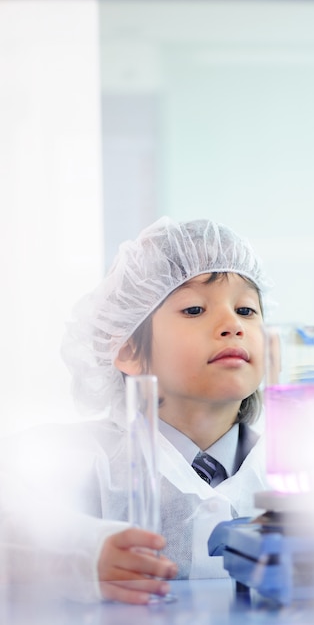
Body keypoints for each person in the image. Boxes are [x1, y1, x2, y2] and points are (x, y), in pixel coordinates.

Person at [0, 216, 271, 604]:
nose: (232, 324)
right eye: (194, 309)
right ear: (127, 349)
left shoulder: (299, 473)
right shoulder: (79, 460)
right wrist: (76, 554)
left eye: (247, 311)